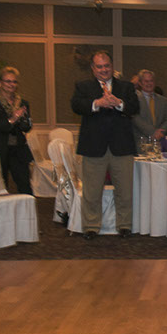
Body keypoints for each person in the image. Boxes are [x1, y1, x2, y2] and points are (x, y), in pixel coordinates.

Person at [71, 50, 139, 240]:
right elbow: (76, 106)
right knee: (91, 191)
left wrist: (118, 103)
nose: (104, 70)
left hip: (122, 146)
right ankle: (91, 226)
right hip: (94, 146)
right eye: (99, 66)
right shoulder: (83, 86)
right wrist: (97, 103)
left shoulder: (125, 87)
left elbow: (135, 108)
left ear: (112, 66)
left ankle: (124, 225)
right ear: (93, 69)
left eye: (107, 65)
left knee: (125, 191)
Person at [0, 66, 34, 195]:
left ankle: (27, 214)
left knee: (25, 186)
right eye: (8, 81)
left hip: (18, 149)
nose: (12, 85)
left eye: (14, 82)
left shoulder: (22, 103)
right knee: (0, 187)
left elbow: (26, 128)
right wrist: (12, 119)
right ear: (0, 83)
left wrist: (23, 120)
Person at [132, 69, 167, 152]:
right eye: (146, 81)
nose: (149, 84)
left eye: (151, 81)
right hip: (141, 143)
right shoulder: (134, 99)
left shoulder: (164, 100)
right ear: (140, 83)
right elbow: (135, 118)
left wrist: (160, 133)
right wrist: (153, 132)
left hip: (160, 143)